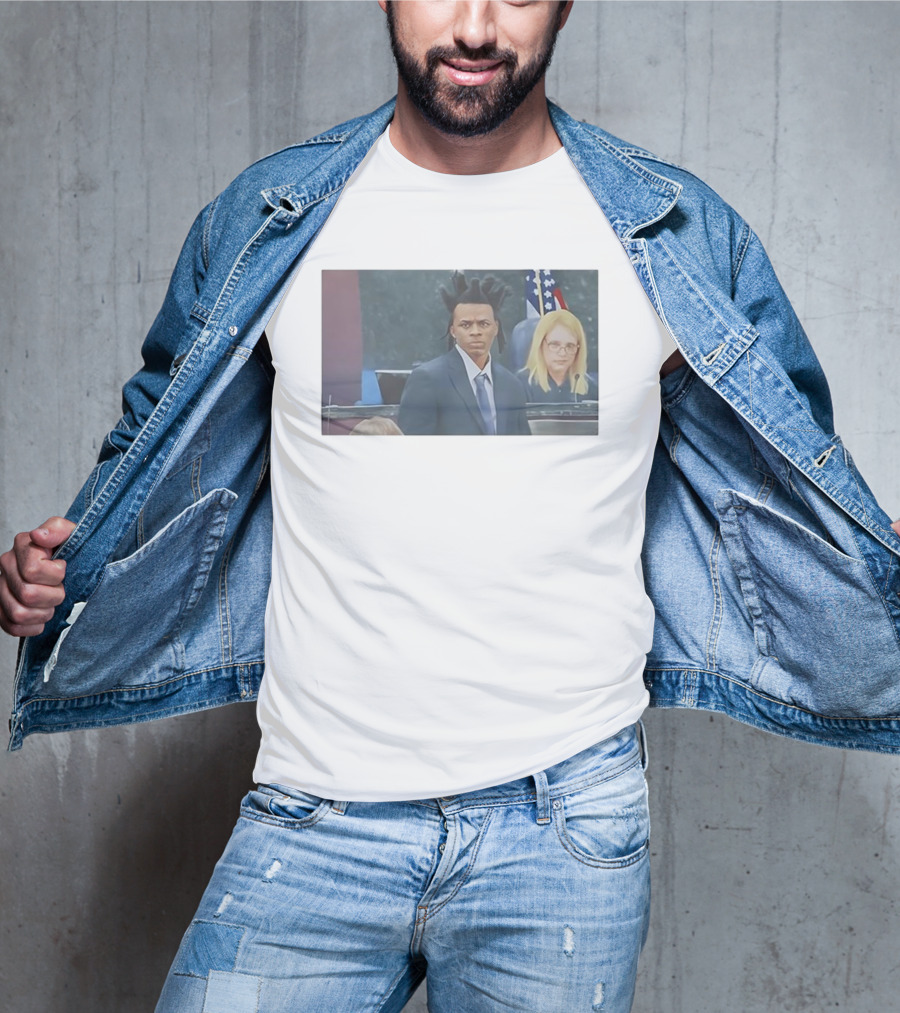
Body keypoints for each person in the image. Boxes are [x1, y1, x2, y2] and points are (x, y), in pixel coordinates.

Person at [2, 3, 899, 1012]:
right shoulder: (271, 220)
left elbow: (790, 463)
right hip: (315, 811)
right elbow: (155, 435)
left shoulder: (675, 232)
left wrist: (869, 559)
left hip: (564, 829)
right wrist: (65, 571)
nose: (473, 26)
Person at [398, 272, 531, 435]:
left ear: (496, 328)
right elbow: (413, 445)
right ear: (453, 331)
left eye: (484, 324)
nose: (475, 332)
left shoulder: (511, 385)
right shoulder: (427, 379)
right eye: (466, 325)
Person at [518, 308, 598, 403]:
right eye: (555, 345)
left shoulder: (590, 387)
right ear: (540, 344)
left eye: (570, 346)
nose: (563, 353)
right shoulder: (520, 385)